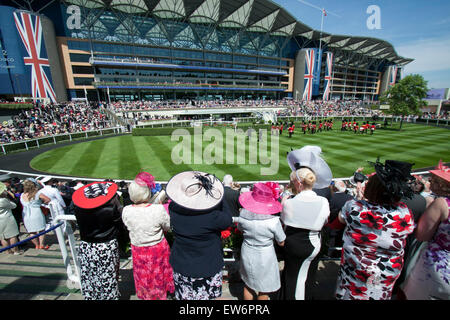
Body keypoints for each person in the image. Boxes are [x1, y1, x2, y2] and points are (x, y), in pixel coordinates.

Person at [335, 159, 416, 300]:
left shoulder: (355, 207)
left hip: (356, 269)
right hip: (386, 271)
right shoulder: (404, 212)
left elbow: (340, 220)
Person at [166, 171, 232, 300]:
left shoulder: (173, 209)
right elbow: (227, 219)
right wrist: (219, 197)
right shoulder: (212, 216)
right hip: (207, 266)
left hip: (183, 264)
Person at [281, 146, 333, 300]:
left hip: (295, 243)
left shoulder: (289, 202)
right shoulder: (323, 201)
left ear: (298, 183)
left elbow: (285, 222)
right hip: (313, 242)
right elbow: (325, 220)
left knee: (293, 277)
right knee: (307, 276)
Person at [121, 172, 174, 300]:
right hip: (156, 249)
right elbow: (168, 226)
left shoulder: (127, 210)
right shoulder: (157, 209)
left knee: (145, 278)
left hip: (140, 249)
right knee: (159, 277)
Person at [401, 166, 450, 300]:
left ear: (442, 185)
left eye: (433, 180)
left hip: (437, 266)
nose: (430, 182)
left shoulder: (442, 203)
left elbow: (422, 234)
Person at [72, 181, 124, 300]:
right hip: (106, 247)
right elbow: (120, 225)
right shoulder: (110, 210)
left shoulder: (79, 209)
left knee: (90, 278)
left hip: (87, 246)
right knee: (108, 279)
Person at [235, 183, 286, 300]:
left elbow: (241, 230)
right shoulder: (273, 221)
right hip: (264, 254)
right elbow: (281, 241)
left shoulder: (243, 215)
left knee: (248, 284)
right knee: (264, 288)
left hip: (248, 250)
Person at [20, 178, 51, 250]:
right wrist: (41, 203)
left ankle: (36, 245)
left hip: (26, 214)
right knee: (41, 229)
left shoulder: (22, 195)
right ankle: (41, 244)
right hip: (36, 212)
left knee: (31, 231)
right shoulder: (38, 193)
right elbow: (48, 199)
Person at [0, 182, 22, 255]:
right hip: (7, 218)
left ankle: (7, 251)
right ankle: (15, 250)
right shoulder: (3, 200)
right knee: (12, 235)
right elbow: (13, 205)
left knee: (3, 237)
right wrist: (8, 197)